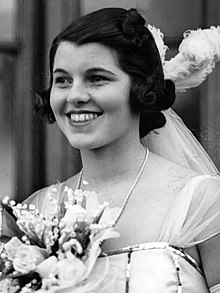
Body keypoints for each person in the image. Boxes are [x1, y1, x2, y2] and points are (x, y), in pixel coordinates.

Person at [2, 7, 220, 293]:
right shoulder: (36, 213)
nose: (76, 96)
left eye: (97, 78)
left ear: (141, 88)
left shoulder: (202, 202)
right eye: (63, 80)